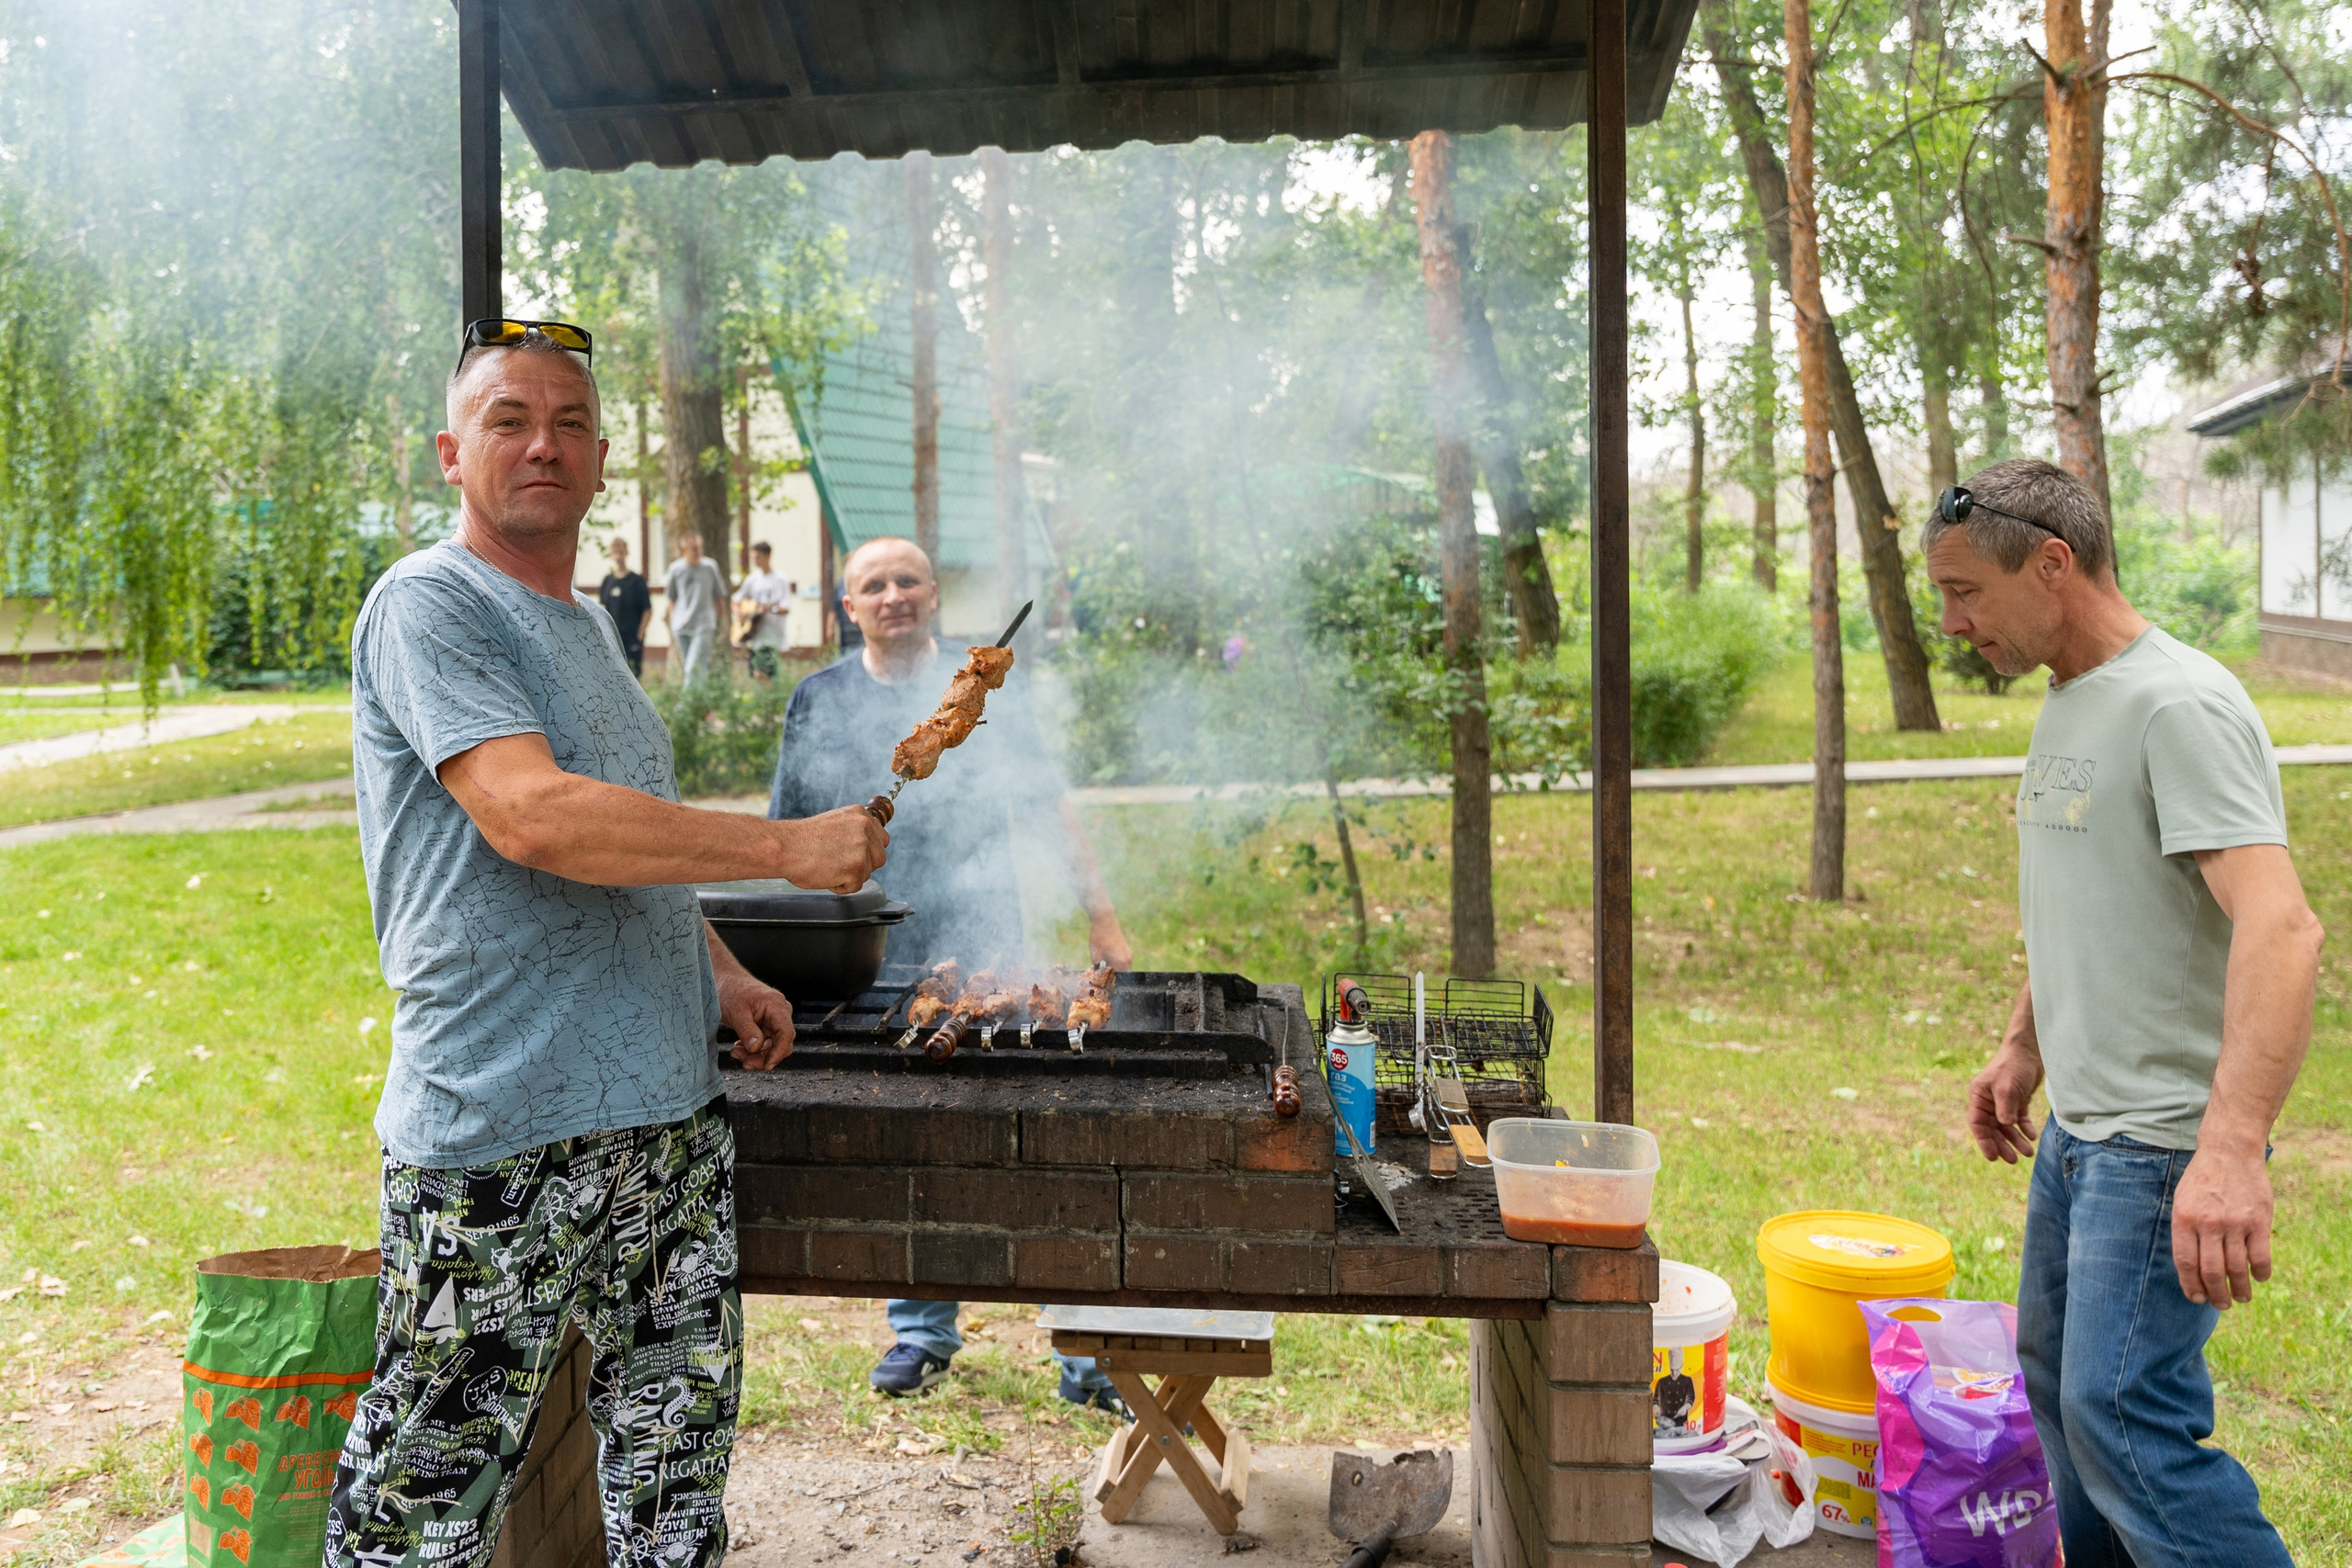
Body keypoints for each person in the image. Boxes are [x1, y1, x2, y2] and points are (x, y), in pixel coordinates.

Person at [326, 321, 889, 1568]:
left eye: (571, 423)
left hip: (665, 1125)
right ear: (450, 454)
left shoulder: (583, 623)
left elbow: (626, 836)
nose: (544, 444)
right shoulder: (428, 603)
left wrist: (719, 969)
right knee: (429, 1483)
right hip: (499, 1125)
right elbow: (533, 816)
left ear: (597, 460)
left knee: (674, 1471)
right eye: (510, 420)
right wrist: (786, 848)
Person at [1928, 457, 2320, 1568]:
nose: (1952, 624)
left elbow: (2282, 929)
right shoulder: (2071, 696)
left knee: (2125, 1425)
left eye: (1965, 593)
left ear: (2051, 564)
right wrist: (2022, 1045)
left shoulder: (2177, 705)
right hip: (2080, 1136)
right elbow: (2093, 895)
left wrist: (2229, 1149)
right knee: (2063, 1400)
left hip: (2158, 1146)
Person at [768, 536, 1134, 1409]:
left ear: (933, 594)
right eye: (873, 584)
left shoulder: (985, 689)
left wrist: (1101, 911)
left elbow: (1047, 803)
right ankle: (922, 1331)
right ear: (848, 606)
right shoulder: (818, 696)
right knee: (908, 1140)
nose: (892, 594)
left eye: (908, 579)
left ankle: (1082, 1346)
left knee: (1038, 1132)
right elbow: (787, 823)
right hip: (868, 944)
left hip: (986, 932)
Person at [664, 530, 728, 682]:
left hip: (704, 624)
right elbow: (671, 599)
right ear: (684, 549)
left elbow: (719, 596)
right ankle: (700, 695)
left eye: (700, 547)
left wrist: (723, 622)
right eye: (694, 549)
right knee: (691, 666)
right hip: (681, 625)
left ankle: (688, 697)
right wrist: (672, 623)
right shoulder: (676, 569)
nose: (698, 551)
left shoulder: (710, 567)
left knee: (694, 666)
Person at [733, 540, 795, 680]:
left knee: (762, 674)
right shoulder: (752, 579)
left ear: (768, 557)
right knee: (758, 675)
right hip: (755, 635)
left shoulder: (780, 579)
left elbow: (786, 608)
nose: (755, 561)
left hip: (772, 636)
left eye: (758, 557)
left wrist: (769, 609)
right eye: (753, 558)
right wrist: (740, 613)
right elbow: (736, 600)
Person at [596, 535, 652, 675]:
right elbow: (602, 609)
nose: (618, 556)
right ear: (611, 554)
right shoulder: (607, 581)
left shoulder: (637, 581)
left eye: (621, 552)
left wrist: (640, 634)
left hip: (632, 637)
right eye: (615, 553)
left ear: (626, 553)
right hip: (613, 636)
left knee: (633, 672)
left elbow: (647, 610)